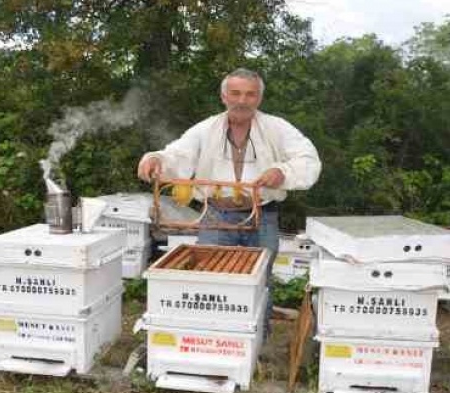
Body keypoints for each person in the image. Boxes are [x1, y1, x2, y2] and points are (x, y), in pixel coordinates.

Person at [137, 67, 321, 334]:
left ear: (259, 99)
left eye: (250, 94)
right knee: (211, 276)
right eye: (235, 93)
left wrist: (282, 172)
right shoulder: (206, 128)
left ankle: (257, 337)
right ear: (224, 96)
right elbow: (177, 153)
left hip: (262, 215)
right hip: (215, 216)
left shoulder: (277, 128)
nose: (242, 100)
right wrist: (157, 159)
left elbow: (307, 159)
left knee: (261, 280)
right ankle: (214, 334)